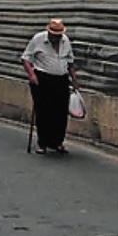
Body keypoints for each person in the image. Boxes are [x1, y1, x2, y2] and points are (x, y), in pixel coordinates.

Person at [21, 18, 77, 154]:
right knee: (44, 111)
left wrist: (74, 79)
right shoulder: (38, 39)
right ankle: (43, 143)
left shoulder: (65, 41)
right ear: (49, 33)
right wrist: (32, 75)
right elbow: (26, 59)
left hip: (61, 79)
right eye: (54, 35)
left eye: (59, 35)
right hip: (42, 78)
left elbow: (70, 62)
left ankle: (57, 142)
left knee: (61, 112)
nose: (57, 37)